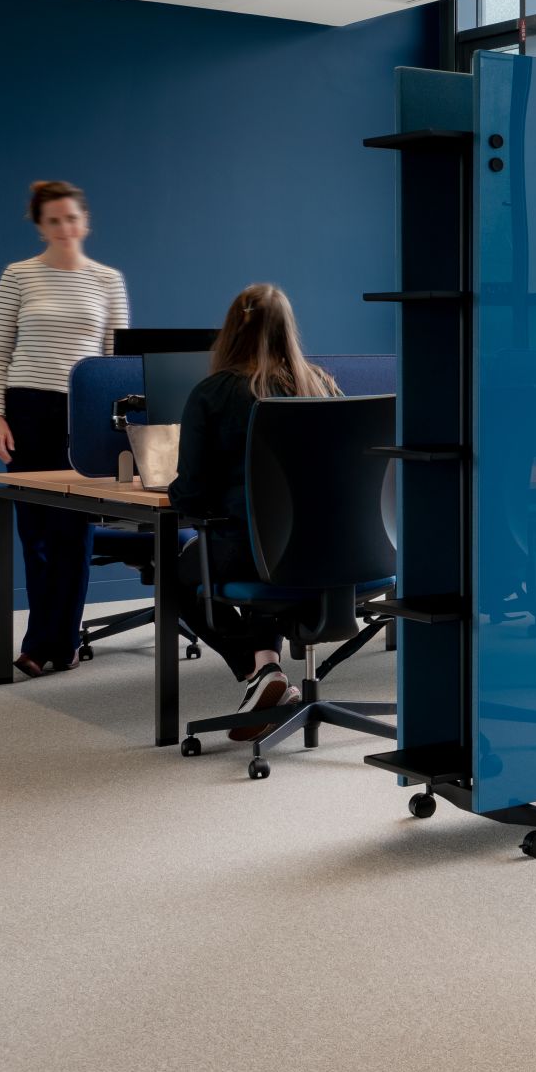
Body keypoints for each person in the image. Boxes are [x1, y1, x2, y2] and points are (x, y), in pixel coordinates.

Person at [168, 284, 339, 740]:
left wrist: (175, 491)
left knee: (174, 571)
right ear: (288, 330)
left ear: (230, 331)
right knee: (271, 551)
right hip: (330, 552)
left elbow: (190, 494)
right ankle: (267, 668)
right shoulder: (321, 385)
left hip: (249, 551)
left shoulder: (212, 394)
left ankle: (257, 671)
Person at [0, 180, 130, 678]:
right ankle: (40, 640)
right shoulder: (19, 275)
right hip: (27, 409)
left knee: (72, 533)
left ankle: (59, 643)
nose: (64, 228)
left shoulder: (107, 280)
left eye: (71, 218)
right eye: (54, 221)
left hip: (82, 412)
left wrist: (115, 428)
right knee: (35, 533)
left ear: (85, 222)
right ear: (40, 226)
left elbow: (117, 361)